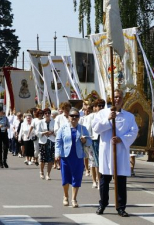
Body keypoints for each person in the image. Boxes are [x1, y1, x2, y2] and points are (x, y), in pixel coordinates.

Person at [93, 89, 139, 217]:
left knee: (120, 181)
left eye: (119, 97)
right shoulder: (102, 113)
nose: (117, 99)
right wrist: (108, 120)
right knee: (104, 180)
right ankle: (103, 203)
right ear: (110, 99)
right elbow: (96, 128)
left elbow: (134, 131)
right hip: (107, 151)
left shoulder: (129, 116)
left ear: (122, 99)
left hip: (121, 152)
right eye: (115, 97)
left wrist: (122, 139)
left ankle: (120, 207)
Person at [55, 108, 92, 208]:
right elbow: (58, 142)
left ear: (79, 118)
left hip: (78, 156)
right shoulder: (63, 128)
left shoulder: (82, 128)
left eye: (76, 116)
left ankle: (74, 199)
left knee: (77, 177)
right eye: (72, 116)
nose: (74, 118)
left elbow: (90, 142)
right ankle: (66, 196)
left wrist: (84, 141)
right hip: (65, 156)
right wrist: (57, 154)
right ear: (68, 117)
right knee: (65, 177)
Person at [37, 108, 55, 180]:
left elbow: (57, 130)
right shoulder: (40, 122)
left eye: (48, 113)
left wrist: (52, 133)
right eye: (45, 113)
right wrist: (44, 133)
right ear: (44, 114)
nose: (47, 114)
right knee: (42, 158)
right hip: (43, 141)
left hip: (51, 140)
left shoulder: (54, 121)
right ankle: (41, 172)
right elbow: (37, 133)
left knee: (50, 159)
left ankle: (48, 174)